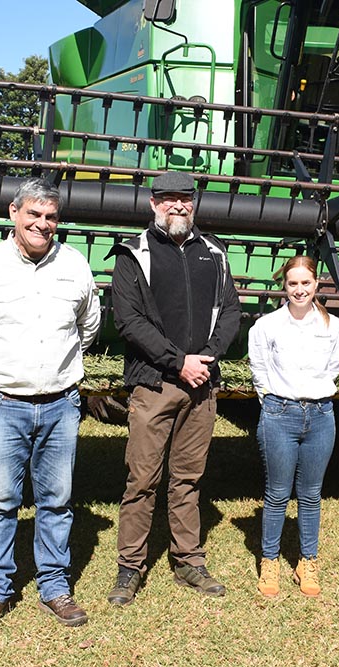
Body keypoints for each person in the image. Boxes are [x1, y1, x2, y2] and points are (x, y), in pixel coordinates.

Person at [0, 177, 101, 630]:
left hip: (60, 404)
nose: (42, 223)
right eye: (33, 214)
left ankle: (54, 588)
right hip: (1, 403)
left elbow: (87, 327)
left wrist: (57, 366)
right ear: (13, 213)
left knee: (57, 500)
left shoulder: (75, 265)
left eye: (51, 216)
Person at [106, 171, 242, 605]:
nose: (177, 206)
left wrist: (206, 358)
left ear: (194, 204)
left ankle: (188, 560)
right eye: (168, 199)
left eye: (185, 199)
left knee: (188, 478)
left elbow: (231, 312)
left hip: (202, 385)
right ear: (153, 204)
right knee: (142, 479)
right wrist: (176, 361)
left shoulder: (214, 252)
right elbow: (128, 320)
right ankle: (130, 567)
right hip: (154, 385)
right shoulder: (134, 254)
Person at [248, 256, 339, 598]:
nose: (299, 290)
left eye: (306, 283)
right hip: (280, 413)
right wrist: (274, 402)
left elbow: (334, 367)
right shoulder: (267, 326)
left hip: (321, 415)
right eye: (293, 283)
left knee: (310, 494)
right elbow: (259, 369)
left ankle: (308, 561)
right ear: (284, 286)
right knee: (277, 494)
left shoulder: (333, 327)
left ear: (317, 285)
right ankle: (270, 560)